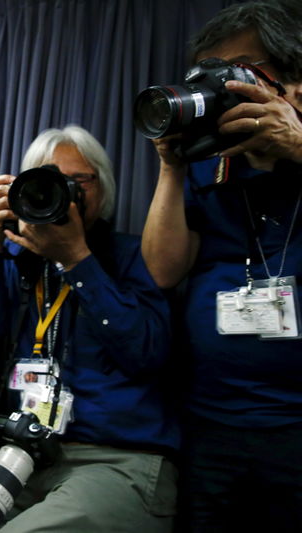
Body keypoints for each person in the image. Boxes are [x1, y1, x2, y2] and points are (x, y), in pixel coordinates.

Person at [0, 126, 179, 532]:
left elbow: (147, 352)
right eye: (49, 180)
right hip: (27, 453)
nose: (65, 191)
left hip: (115, 457)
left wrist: (78, 260)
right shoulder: (19, 257)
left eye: (79, 181)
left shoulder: (135, 254)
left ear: (103, 188)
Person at [141, 2, 302, 531]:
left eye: (238, 70)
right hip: (213, 421)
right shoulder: (211, 166)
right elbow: (163, 270)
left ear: (292, 80)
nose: (220, 87)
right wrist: (171, 167)